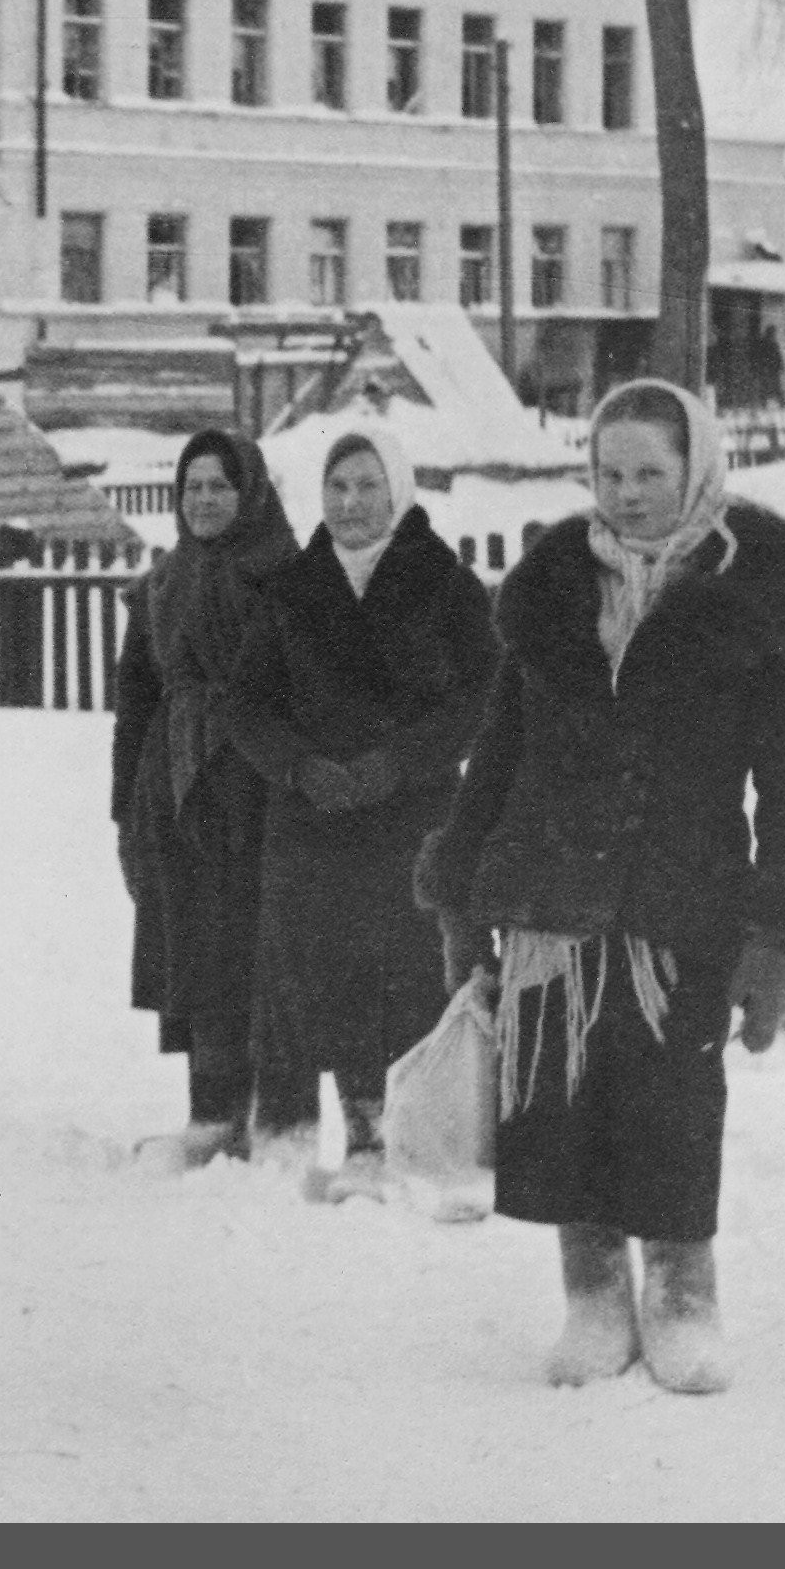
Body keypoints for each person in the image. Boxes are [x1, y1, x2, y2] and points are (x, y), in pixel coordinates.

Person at [416, 379, 785, 1394]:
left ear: (697, 465)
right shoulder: (555, 585)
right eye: (609, 472)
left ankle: (684, 1296)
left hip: (680, 898)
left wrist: (779, 931)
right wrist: (463, 896)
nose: (629, 493)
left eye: (651, 471)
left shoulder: (764, 599)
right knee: (560, 1099)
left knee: (672, 1100)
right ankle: (594, 1292)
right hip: (550, 895)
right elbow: (501, 751)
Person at [223, 425, 495, 1203]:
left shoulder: (444, 582)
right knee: (318, 968)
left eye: (366, 486)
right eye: (337, 488)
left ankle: (405, 1132)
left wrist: (398, 762)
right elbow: (245, 702)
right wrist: (298, 764)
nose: (350, 503)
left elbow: (481, 693)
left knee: (409, 966)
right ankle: (330, 1130)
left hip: (411, 815)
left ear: (398, 490)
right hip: (312, 816)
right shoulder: (290, 587)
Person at [107, 427, 310, 1165]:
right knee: (196, 944)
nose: (203, 500)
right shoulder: (163, 581)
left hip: (260, 781)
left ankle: (284, 1120)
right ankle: (213, 1111)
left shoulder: (287, 574)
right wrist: (125, 806)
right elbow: (134, 699)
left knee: (268, 944)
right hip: (178, 783)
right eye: (191, 486)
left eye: (218, 485)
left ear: (248, 491)